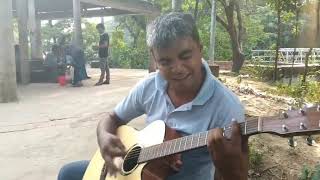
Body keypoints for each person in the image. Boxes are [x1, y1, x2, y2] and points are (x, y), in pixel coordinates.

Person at [58, 12, 248, 180]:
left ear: (200, 49)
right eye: (165, 61)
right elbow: (113, 118)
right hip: (135, 171)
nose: (177, 69)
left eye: (185, 56)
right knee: (68, 173)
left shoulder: (227, 107)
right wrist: (104, 136)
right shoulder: (149, 86)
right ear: (154, 58)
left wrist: (229, 166)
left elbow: (238, 176)